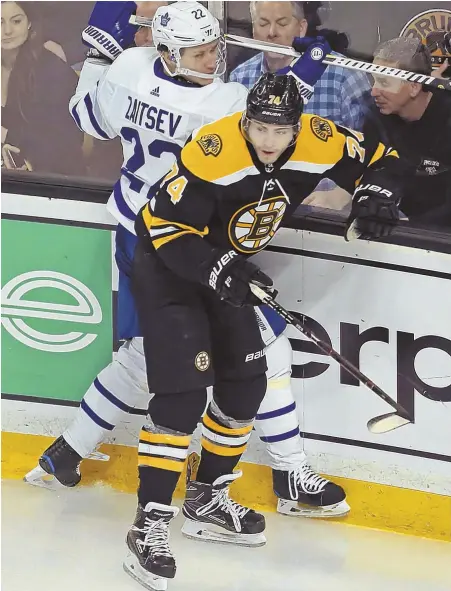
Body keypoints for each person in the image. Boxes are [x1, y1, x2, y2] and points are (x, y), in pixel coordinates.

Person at [25, 0, 353, 526]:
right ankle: (289, 473)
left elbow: (86, 114)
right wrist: (309, 68)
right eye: (200, 53)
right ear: (170, 53)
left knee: (146, 356)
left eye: (214, 48)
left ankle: (66, 451)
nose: (212, 60)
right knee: (263, 351)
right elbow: (273, 129)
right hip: (184, 245)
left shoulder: (131, 69)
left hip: (135, 229)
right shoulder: (221, 104)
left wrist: (96, 55)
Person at [128, 71, 403, 588]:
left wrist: (375, 194)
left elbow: (379, 159)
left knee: (246, 384)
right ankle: (149, 524)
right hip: (170, 268)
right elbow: (165, 227)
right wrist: (218, 269)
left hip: (228, 270)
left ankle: (207, 498)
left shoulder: (321, 139)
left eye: (279, 131)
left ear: (297, 127)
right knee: (183, 400)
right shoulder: (213, 151)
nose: (268, 141)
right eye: (258, 128)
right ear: (246, 121)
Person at [229, 1, 370, 131]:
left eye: (282, 24)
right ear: (254, 29)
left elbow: (367, 147)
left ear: (302, 27)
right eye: (263, 24)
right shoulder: (239, 77)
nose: (272, 33)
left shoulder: (345, 75)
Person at [364, 37, 451, 228]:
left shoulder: (446, 120)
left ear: (414, 87)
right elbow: (367, 171)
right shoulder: (375, 114)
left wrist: (408, 225)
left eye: (384, 83)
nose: (373, 91)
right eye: (374, 80)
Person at [1, 1, 85, 175]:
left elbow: (64, 140)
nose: (7, 31)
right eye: (0, 22)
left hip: (48, 178)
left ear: (29, 23)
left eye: (16, 21)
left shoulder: (53, 71)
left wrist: (15, 147)